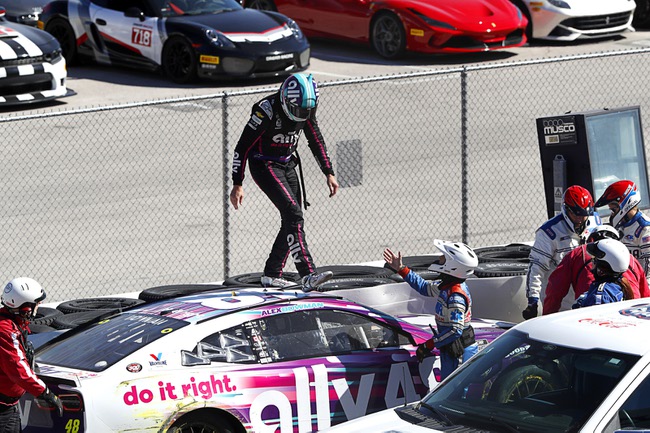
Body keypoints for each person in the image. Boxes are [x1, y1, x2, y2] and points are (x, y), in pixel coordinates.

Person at [229, 73, 338, 291]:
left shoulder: (306, 108)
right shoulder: (265, 110)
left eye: (306, 111)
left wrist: (328, 171)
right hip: (264, 165)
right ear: (286, 100)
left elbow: (315, 138)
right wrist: (237, 183)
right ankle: (308, 275)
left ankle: (271, 274)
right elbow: (242, 147)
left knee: (293, 218)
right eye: (298, 110)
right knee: (293, 214)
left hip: (288, 163)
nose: (302, 115)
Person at [384, 240, 479, 381]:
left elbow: (455, 330)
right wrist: (402, 269)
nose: (439, 259)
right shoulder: (447, 285)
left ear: (453, 266)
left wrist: (428, 345)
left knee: (454, 392)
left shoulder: (455, 295)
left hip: (459, 352)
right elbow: (424, 288)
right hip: (451, 349)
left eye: (443, 257)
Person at [522, 185, 598, 320]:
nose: (581, 219)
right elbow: (536, 268)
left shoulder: (595, 222)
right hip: (560, 306)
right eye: (576, 214)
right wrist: (532, 300)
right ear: (566, 209)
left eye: (584, 215)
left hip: (587, 300)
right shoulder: (548, 233)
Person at [543, 224, 650, 315]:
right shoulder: (629, 262)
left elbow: (555, 289)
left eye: (595, 260)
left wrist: (546, 320)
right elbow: (646, 297)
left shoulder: (599, 294)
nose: (592, 264)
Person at [0, 277, 62, 432]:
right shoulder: (5, 331)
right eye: (37, 303)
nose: (39, 306)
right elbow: (18, 369)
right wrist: (45, 392)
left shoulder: (10, 323)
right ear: (25, 308)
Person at [594, 180, 650, 282]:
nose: (612, 214)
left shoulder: (645, 228)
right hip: (620, 284)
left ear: (625, 204)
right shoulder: (617, 226)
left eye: (613, 209)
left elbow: (648, 272)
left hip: (638, 289)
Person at [572, 238, 634, 308]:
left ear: (603, 266)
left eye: (594, 259)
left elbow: (595, 317)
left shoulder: (602, 294)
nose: (592, 262)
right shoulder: (617, 285)